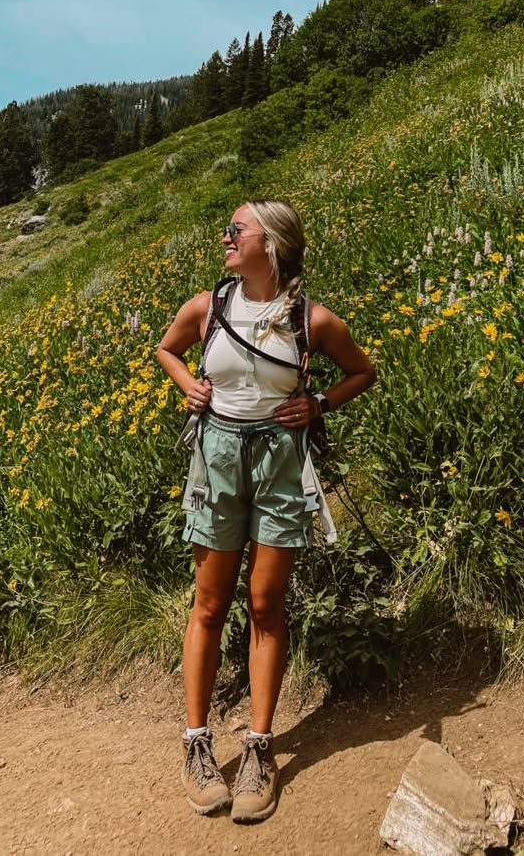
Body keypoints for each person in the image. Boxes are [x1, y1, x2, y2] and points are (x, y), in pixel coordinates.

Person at [155, 199, 377, 823]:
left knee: (264, 603)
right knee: (209, 602)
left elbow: (363, 371)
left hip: (281, 462)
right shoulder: (208, 306)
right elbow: (165, 350)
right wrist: (189, 385)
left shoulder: (311, 319)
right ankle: (197, 745)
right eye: (226, 229)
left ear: (272, 244)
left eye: (237, 230)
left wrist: (320, 405)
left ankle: (258, 748)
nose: (225, 238)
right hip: (218, 456)